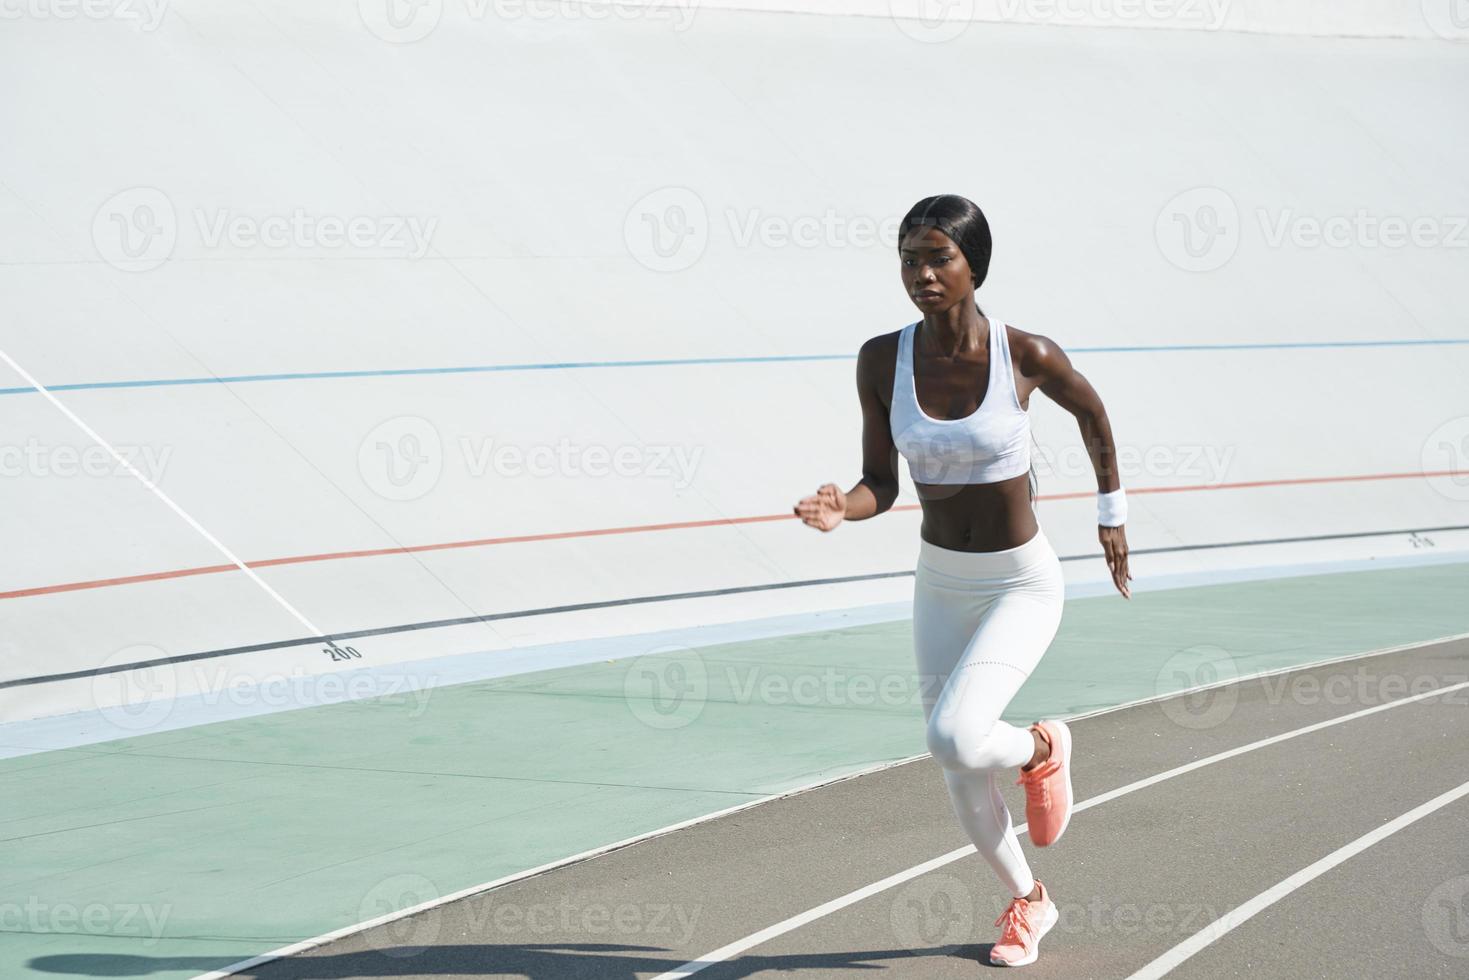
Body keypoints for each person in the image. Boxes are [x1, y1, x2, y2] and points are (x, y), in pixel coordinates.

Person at [793, 194, 1131, 967]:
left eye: (937, 257)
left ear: (973, 266)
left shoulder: (1026, 354)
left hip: (1019, 581)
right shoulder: (883, 359)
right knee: (954, 763)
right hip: (939, 580)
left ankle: (1041, 748)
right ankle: (1027, 901)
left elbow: (1093, 414)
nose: (921, 274)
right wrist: (840, 508)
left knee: (954, 733)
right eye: (909, 259)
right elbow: (879, 480)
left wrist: (1110, 515)